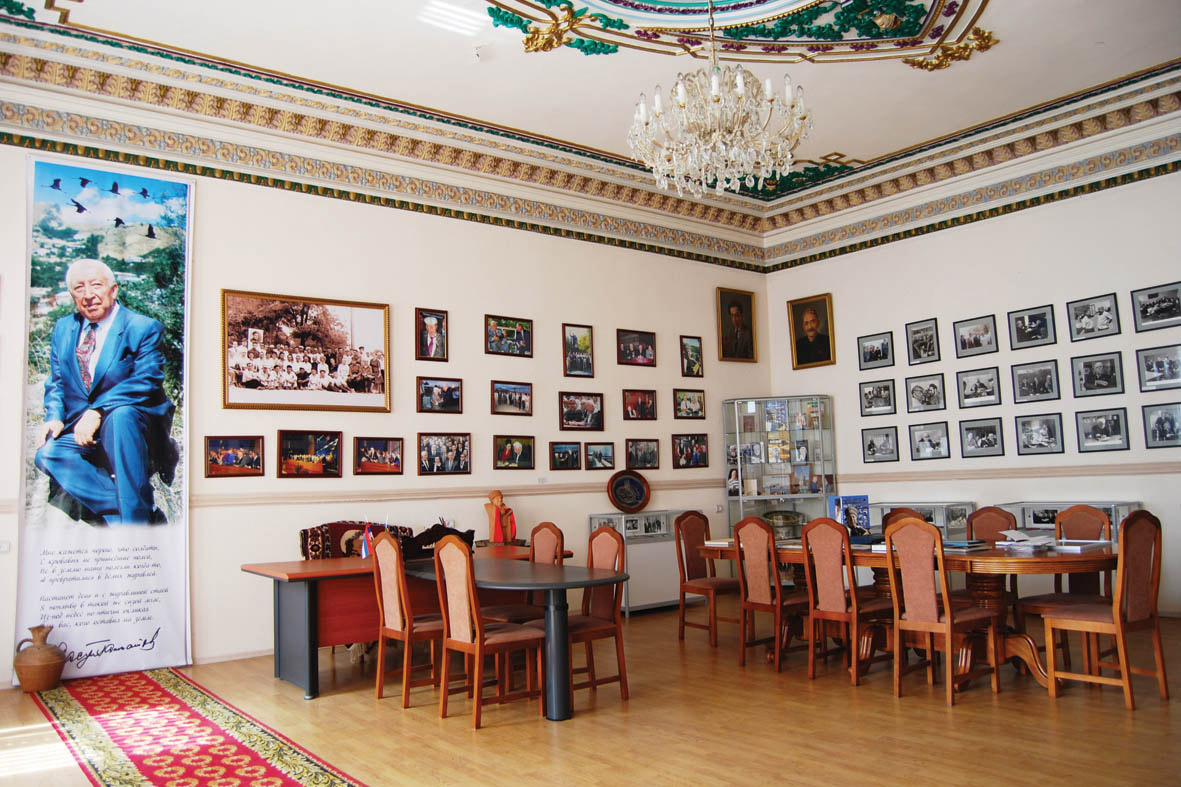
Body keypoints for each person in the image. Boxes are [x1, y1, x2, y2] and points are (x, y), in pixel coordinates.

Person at [34, 259, 178, 525]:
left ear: (114, 290)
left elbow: (146, 380)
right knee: (48, 454)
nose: (88, 295)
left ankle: (133, 527)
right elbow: (56, 381)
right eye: (79, 288)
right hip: (80, 427)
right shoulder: (64, 328)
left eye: (96, 285)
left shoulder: (142, 327)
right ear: (72, 295)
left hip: (132, 424)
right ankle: (138, 509)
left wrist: (97, 410)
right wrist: (54, 415)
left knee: (121, 416)